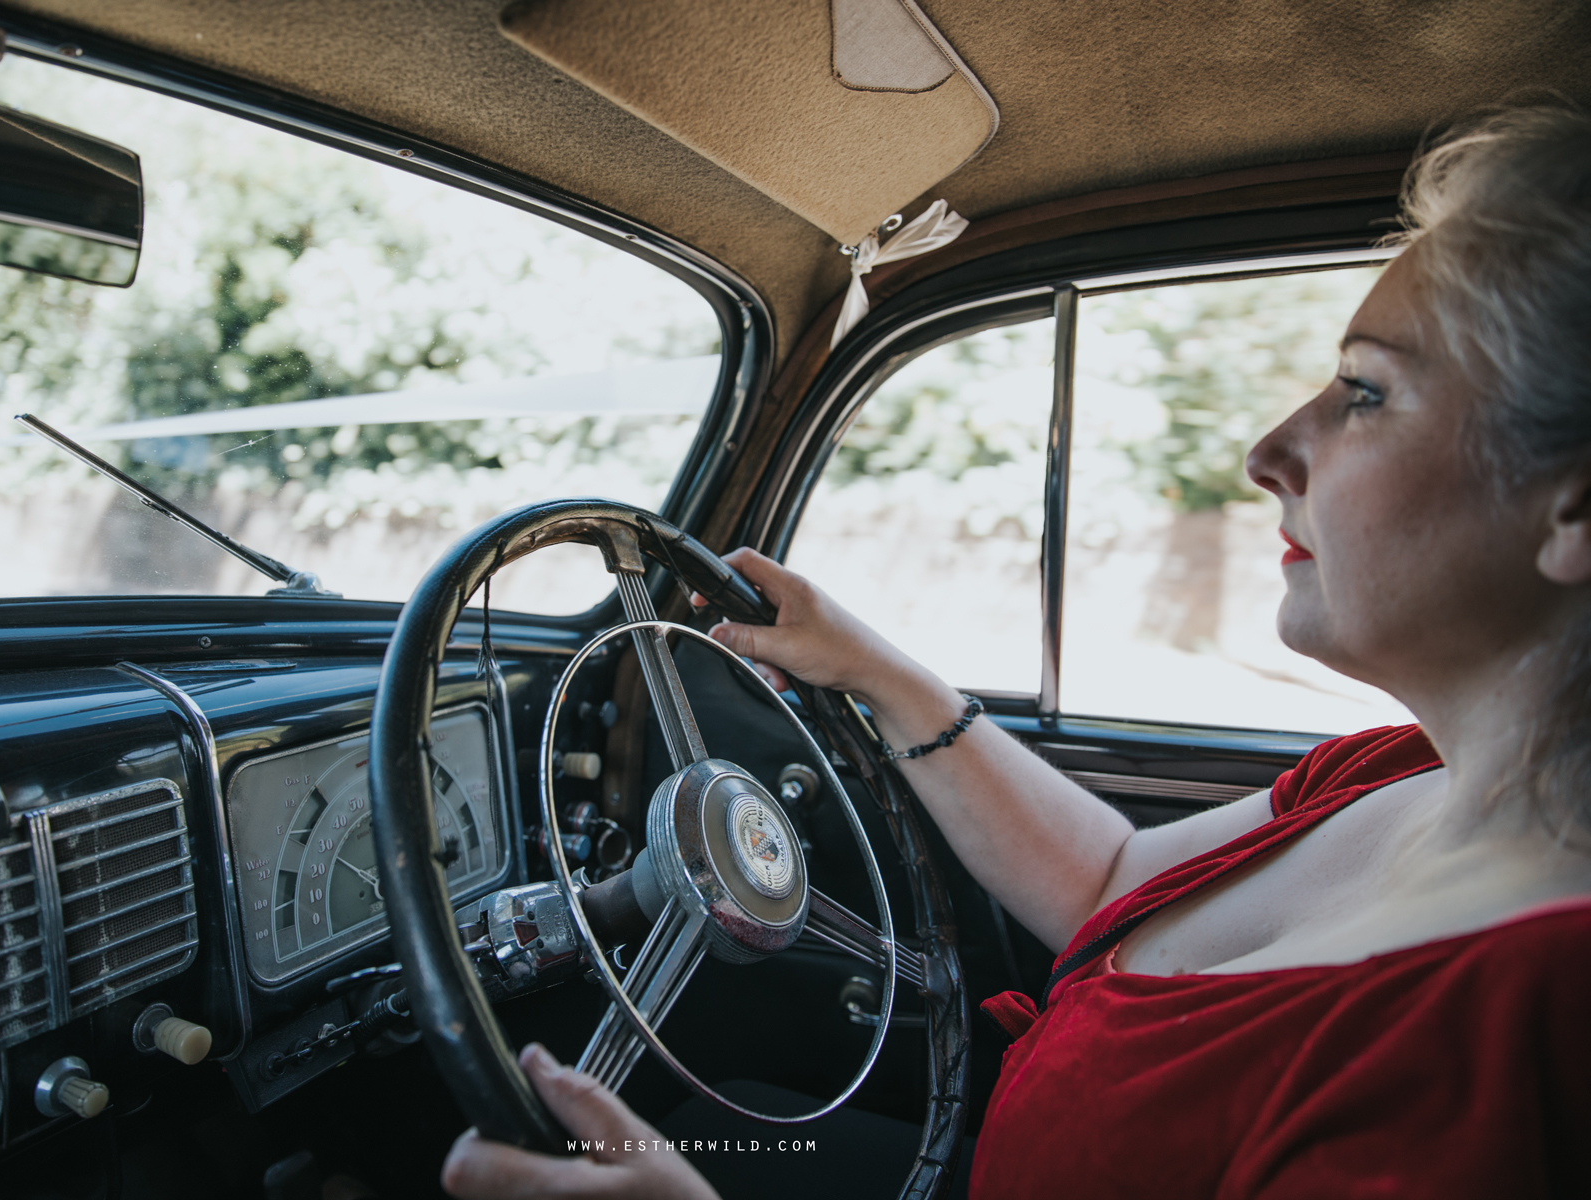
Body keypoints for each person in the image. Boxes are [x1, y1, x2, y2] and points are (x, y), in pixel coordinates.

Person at [442, 103, 1591, 1199]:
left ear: (1571, 511)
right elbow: (1115, 887)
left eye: (1364, 392)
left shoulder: (1515, 1042)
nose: (1267, 450)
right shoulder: (1388, 771)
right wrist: (875, 669)